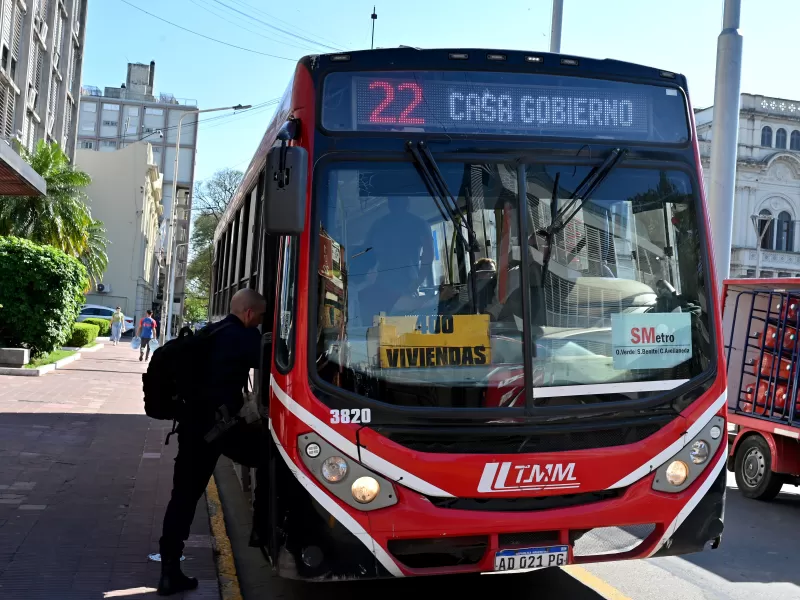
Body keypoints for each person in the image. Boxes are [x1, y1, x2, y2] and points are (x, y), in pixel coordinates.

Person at [157, 288, 268, 595]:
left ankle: (169, 570)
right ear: (248, 313)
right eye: (260, 317)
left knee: (182, 498)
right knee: (273, 460)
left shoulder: (211, 331)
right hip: (221, 430)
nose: (260, 323)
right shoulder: (245, 338)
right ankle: (263, 530)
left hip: (192, 429)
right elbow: (279, 364)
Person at [357, 196, 434, 323]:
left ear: (389, 204)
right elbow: (428, 256)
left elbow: (366, 253)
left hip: (383, 285)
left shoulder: (378, 225)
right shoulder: (420, 224)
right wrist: (418, 281)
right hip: (408, 284)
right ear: (408, 203)